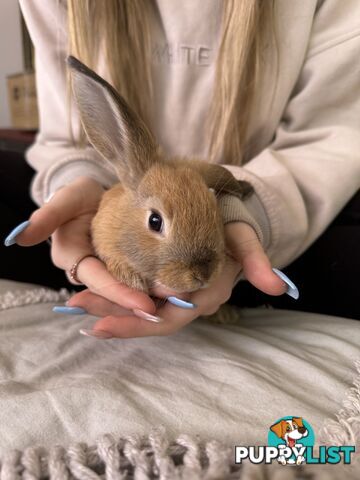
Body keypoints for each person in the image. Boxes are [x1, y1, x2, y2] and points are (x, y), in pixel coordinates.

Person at [3, 0, 359, 337]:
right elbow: (67, 132)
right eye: (156, 222)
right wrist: (74, 181)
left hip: (297, 235)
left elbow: (338, 129)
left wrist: (246, 210)